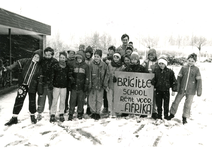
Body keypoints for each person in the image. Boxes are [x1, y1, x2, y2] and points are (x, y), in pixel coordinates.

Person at [4, 50, 43, 126]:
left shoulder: (40, 67)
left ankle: (32, 116)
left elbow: (40, 79)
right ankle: (14, 118)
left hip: (33, 86)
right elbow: (16, 64)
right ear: (33, 55)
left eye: (38, 57)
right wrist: (8, 68)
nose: (36, 58)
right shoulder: (26, 61)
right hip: (23, 85)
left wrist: (39, 89)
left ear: (40, 59)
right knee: (19, 100)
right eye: (35, 56)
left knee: (32, 102)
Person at [167, 53, 202, 124]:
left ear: (195, 62)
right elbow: (179, 78)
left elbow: (199, 81)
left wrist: (199, 90)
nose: (190, 62)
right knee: (176, 102)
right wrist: (177, 87)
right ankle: (171, 114)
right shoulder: (183, 68)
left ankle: (184, 117)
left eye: (192, 61)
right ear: (187, 60)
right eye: (189, 60)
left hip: (191, 91)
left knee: (188, 104)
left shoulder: (196, 70)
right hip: (182, 89)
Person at [121, 51, 147, 117]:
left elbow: (147, 75)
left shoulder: (141, 68)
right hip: (130, 88)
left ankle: (141, 110)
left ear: (137, 59)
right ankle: (126, 110)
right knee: (129, 99)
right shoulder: (128, 67)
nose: (133, 61)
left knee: (138, 99)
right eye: (132, 59)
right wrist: (117, 77)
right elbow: (121, 75)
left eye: (135, 59)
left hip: (138, 88)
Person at [37, 47, 58, 121]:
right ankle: (39, 113)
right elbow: (38, 70)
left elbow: (56, 73)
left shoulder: (55, 62)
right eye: (46, 54)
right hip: (42, 83)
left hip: (51, 84)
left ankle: (51, 112)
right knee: (41, 98)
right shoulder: (42, 61)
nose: (48, 56)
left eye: (49, 55)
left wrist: (53, 82)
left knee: (51, 99)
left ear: (52, 54)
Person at [68, 51, 89, 120]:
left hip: (82, 87)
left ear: (83, 58)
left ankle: (80, 112)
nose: (79, 59)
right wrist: (71, 78)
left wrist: (86, 84)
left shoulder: (86, 66)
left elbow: (87, 76)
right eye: (78, 58)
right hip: (74, 86)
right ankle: (71, 113)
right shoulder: (73, 65)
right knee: (72, 100)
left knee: (81, 100)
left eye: (80, 58)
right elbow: (70, 73)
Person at [88, 49, 109, 120]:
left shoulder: (104, 65)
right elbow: (89, 74)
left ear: (100, 57)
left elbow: (107, 75)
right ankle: (93, 112)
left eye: (98, 57)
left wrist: (105, 83)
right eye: (95, 56)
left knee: (99, 99)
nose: (96, 58)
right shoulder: (91, 64)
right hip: (93, 85)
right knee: (92, 99)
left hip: (100, 85)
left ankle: (98, 112)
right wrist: (89, 83)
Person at [50, 51, 69, 122]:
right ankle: (52, 114)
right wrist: (51, 83)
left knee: (62, 101)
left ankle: (61, 113)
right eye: (60, 57)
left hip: (64, 86)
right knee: (54, 100)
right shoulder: (55, 66)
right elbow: (52, 75)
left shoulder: (67, 67)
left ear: (65, 58)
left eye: (63, 58)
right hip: (56, 86)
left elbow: (69, 76)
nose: (62, 59)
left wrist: (69, 82)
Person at [142, 49, 159, 119]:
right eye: (149, 55)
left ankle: (154, 111)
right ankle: (144, 110)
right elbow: (141, 68)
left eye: (152, 55)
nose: (151, 56)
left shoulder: (157, 62)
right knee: (145, 96)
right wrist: (144, 64)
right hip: (146, 81)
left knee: (154, 97)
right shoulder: (146, 62)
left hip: (154, 81)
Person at [107, 52, 123, 117]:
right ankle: (110, 111)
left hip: (118, 85)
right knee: (110, 98)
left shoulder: (121, 66)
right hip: (110, 83)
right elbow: (107, 74)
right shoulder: (110, 65)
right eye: (114, 57)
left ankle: (116, 111)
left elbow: (123, 75)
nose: (115, 59)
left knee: (116, 98)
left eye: (117, 57)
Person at [102, 45, 116, 114]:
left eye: (112, 50)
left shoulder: (115, 58)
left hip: (112, 76)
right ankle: (105, 107)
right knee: (105, 93)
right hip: (105, 75)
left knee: (112, 94)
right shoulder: (105, 59)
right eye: (109, 50)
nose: (111, 52)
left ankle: (112, 107)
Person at [84, 46, 93, 115]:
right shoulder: (83, 60)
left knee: (89, 95)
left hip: (91, 79)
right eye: (86, 53)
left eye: (89, 53)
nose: (88, 54)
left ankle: (89, 107)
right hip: (84, 79)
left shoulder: (92, 61)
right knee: (83, 94)